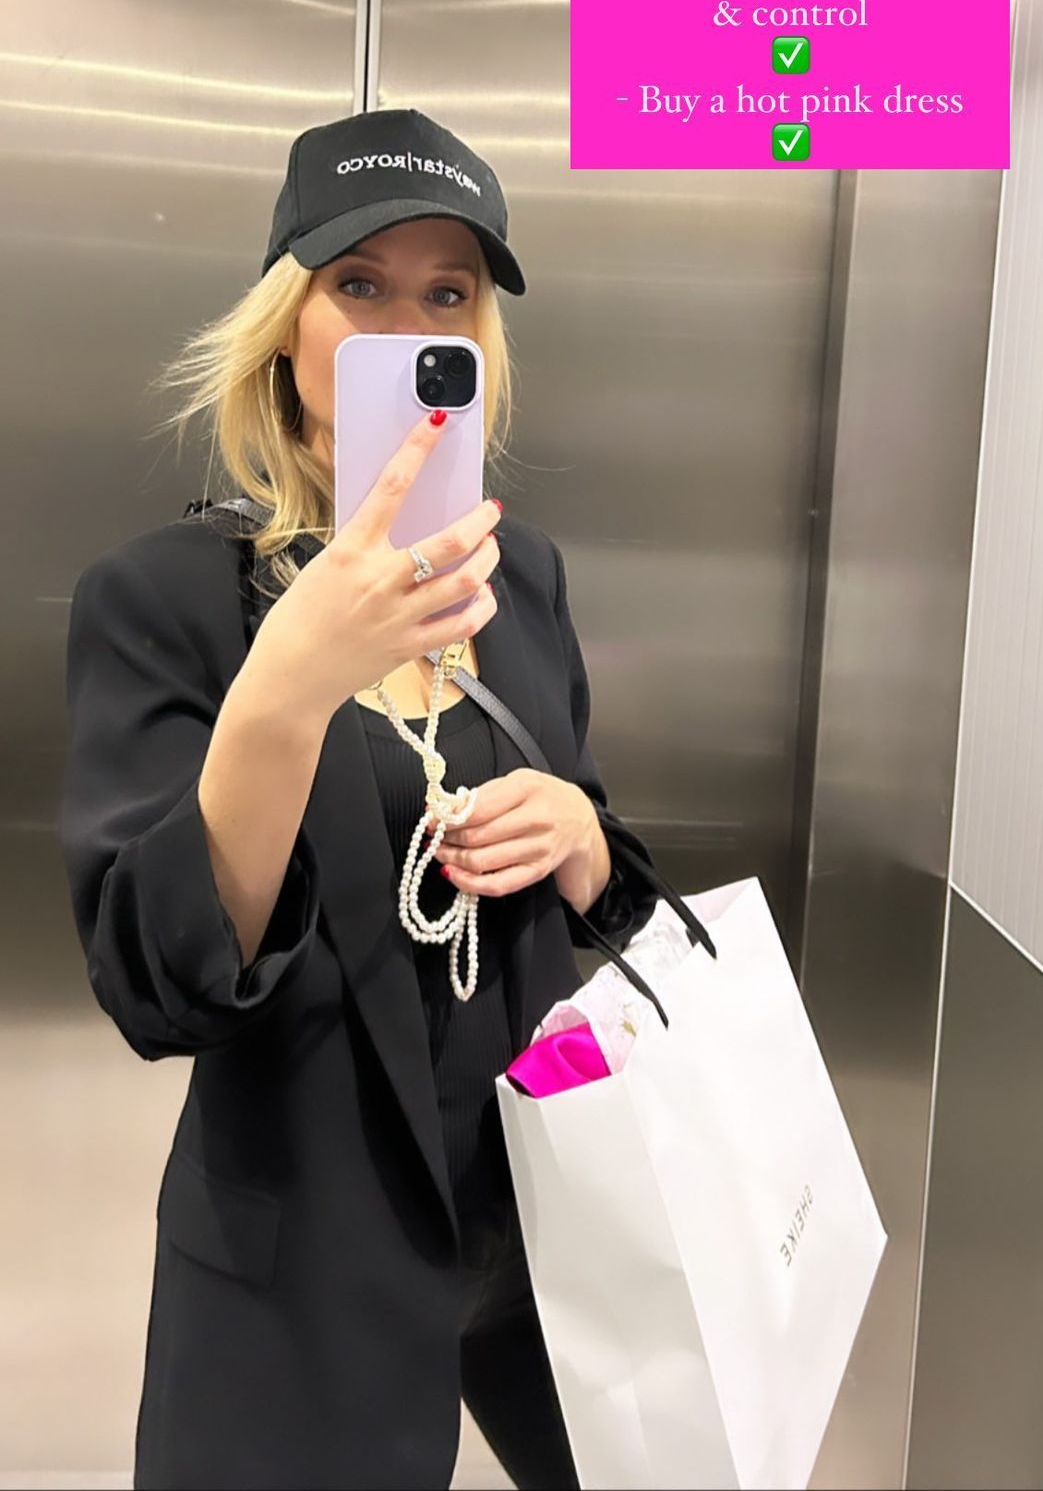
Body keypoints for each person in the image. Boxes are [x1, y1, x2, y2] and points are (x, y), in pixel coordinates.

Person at [58, 106, 662, 1491]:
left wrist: (580, 837)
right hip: (304, 1269)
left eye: (447, 295)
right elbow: (158, 988)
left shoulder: (521, 578)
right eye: (360, 285)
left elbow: (607, 887)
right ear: (288, 326)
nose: (406, 327)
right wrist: (285, 690)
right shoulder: (165, 599)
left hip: (547, 1221)